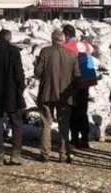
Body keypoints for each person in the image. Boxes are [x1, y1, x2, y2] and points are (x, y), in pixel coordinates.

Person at [34, 29, 80, 163]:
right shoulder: (72, 55)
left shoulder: (45, 52)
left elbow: (38, 73)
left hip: (47, 93)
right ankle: (64, 154)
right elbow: (77, 76)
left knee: (46, 124)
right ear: (64, 40)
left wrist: (36, 65)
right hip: (65, 96)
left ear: (52, 39)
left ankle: (45, 154)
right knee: (64, 125)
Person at [0, 28, 26, 166]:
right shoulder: (13, 51)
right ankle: (15, 154)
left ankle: (0, 156)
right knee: (16, 122)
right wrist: (21, 87)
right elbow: (18, 73)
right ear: (9, 38)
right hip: (11, 92)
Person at [62, 24, 97, 150]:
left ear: (65, 34)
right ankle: (85, 139)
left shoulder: (66, 47)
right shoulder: (85, 45)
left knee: (72, 111)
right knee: (83, 111)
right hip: (86, 82)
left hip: (74, 83)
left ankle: (74, 139)